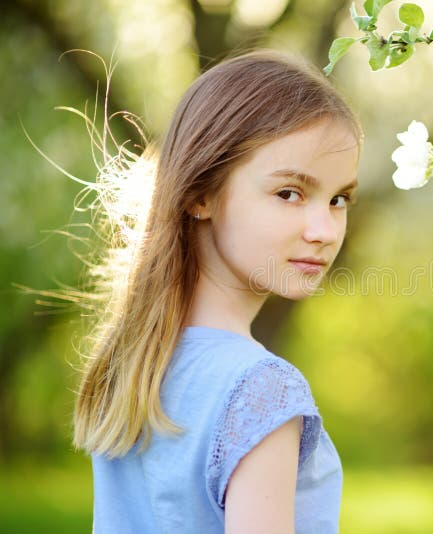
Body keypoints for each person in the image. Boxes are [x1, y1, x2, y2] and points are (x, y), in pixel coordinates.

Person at [70, 49, 363, 533]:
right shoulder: (262, 389)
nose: (324, 229)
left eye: (338, 199)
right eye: (289, 192)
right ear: (199, 194)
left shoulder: (136, 364)